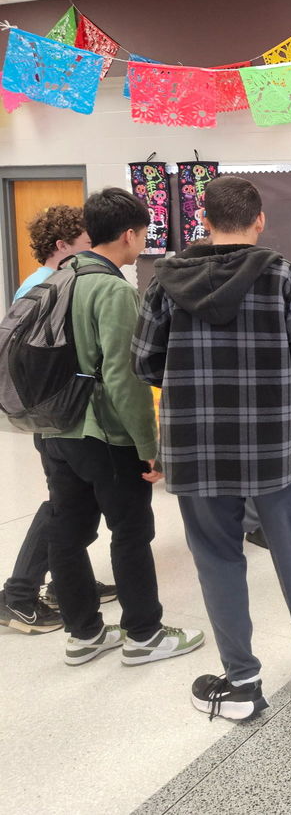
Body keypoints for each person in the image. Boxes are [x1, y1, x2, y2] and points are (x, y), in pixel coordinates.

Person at [133, 176, 291, 721]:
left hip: (195, 446)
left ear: (204, 219)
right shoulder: (286, 278)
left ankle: (240, 682)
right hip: (274, 443)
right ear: (260, 221)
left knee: (217, 559)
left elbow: (144, 362)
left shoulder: (164, 283)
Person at [38, 188, 204, 667]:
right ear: (129, 235)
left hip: (55, 429)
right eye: (144, 234)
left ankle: (84, 634)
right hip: (104, 433)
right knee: (130, 531)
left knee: (67, 532)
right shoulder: (111, 289)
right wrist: (148, 446)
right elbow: (124, 377)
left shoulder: (58, 277)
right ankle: (144, 634)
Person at [0, 205, 117, 635]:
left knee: (74, 506)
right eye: (85, 244)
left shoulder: (53, 282)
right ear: (62, 246)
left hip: (58, 415)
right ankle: (19, 593)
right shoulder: (44, 287)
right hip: (57, 417)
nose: (91, 252)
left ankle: (65, 584)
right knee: (61, 507)